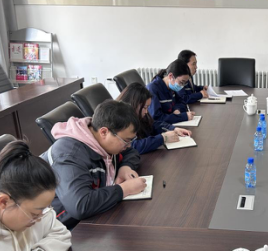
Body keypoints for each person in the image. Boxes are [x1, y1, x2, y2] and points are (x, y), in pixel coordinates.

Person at [41, 100, 147, 229]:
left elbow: (131, 152)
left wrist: (126, 167)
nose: (128, 145)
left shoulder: (99, 138)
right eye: (126, 141)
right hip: (63, 227)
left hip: (94, 215)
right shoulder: (69, 155)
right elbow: (80, 206)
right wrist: (124, 189)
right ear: (104, 132)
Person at [116, 83, 192, 154]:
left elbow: (152, 124)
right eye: (145, 107)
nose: (146, 111)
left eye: (148, 107)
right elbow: (132, 146)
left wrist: (173, 128)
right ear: (133, 104)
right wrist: (163, 138)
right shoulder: (121, 119)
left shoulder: (138, 114)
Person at [147, 59, 196, 124]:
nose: (182, 86)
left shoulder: (171, 87)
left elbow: (182, 101)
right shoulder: (153, 89)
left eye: (184, 83)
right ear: (171, 76)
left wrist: (176, 109)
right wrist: (182, 117)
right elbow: (156, 118)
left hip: (170, 124)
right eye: (181, 82)